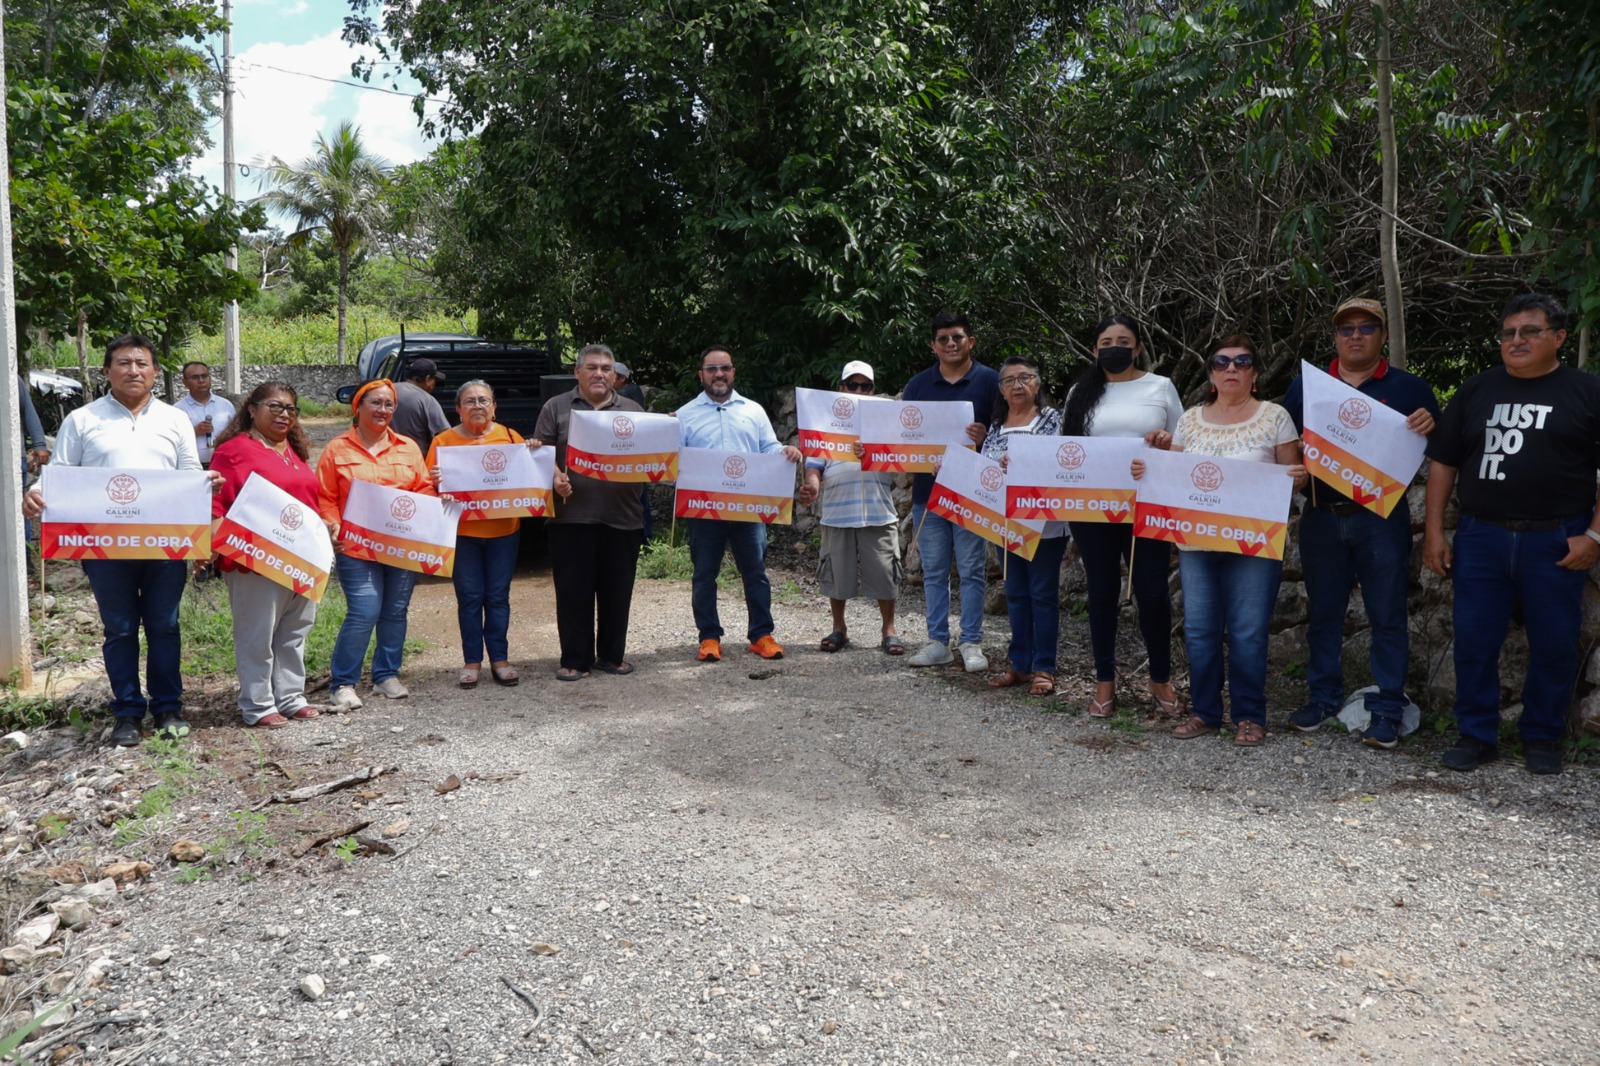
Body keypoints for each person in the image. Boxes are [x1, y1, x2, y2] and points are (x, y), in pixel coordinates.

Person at [1423, 293, 1600, 775]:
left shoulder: (1587, 392)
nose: (1516, 341)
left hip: (1556, 538)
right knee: (1475, 640)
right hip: (1483, 537)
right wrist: (1434, 531)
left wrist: (1594, 536)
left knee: (1555, 640)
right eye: (1508, 333)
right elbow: (1444, 464)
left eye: (1530, 331)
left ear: (1559, 337)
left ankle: (1542, 737)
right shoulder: (1476, 389)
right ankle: (1475, 735)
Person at [22, 335, 213, 746]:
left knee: (165, 625)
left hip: (164, 542)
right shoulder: (83, 419)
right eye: (123, 363)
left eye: (142, 364)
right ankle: (127, 712)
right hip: (103, 546)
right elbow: (61, 475)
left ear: (155, 373)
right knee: (120, 629)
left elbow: (188, 474)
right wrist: (37, 493)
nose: (133, 371)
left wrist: (203, 498)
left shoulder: (174, 419)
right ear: (107, 371)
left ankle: (167, 707)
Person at [1133, 335, 1305, 747]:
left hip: (1253, 544)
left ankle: (1249, 714)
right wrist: (1148, 470)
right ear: (1211, 373)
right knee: (1199, 629)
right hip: (1196, 544)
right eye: (1222, 362)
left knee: (1247, 631)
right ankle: (1206, 711)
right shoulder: (1190, 419)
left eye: (1242, 361)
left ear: (1255, 373)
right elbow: (1171, 474)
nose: (1232, 368)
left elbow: (1294, 479)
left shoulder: (1275, 416)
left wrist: (1301, 476)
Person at [1283, 298, 1439, 749]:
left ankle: (1389, 708)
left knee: (1387, 615)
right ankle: (1323, 698)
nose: (1355, 335)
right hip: (1322, 516)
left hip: (1380, 518)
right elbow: (1284, 443)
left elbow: (1442, 448)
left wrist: (1432, 425)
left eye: (1366, 328)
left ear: (1382, 336)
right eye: (1346, 328)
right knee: (1324, 614)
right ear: (1334, 337)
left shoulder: (1410, 388)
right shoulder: (1307, 387)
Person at [1060, 315, 1184, 718]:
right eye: (1107, 341)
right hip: (1092, 508)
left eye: (1124, 340)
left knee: (1151, 592)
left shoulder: (1160, 387)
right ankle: (1104, 680)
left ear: (1139, 347)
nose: (1115, 347)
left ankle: (1160, 677)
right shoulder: (1080, 391)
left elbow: (1184, 443)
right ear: (1095, 350)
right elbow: (1066, 451)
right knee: (1100, 592)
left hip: (1148, 504)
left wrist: (1166, 444)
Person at [676, 344, 803, 662]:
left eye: (725, 368)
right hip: (704, 509)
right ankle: (708, 638)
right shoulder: (684, 415)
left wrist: (784, 453)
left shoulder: (753, 410)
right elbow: (673, 461)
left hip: (748, 507)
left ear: (733, 372)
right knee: (705, 573)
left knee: (756, 572)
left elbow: (769, 447)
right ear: (701, 374)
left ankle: (761, 634)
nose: (719, 374)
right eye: (711, 369)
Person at [316, 379, 436, 711]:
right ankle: (342, 682)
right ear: (358, 407)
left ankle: (386, 675)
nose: (382, 410)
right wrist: (333, 525)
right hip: (356, 549)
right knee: (365, 609)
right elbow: (325, 498)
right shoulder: (337, 449)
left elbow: (424, 488)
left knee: (395, 611)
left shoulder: (408, 447)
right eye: (375, 403)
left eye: (388, 405)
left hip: (400, 546)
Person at [208, 383, 323, 727]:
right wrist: (212, 549)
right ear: (252, 409)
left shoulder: (294, 451)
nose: (284, 414)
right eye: (275, 407)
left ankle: (290, 697)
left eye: (291, 408)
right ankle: (258, 704)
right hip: (254, 560)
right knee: (257, 634)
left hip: (301, 557)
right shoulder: (233, 451)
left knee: (294, 631)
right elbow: (217, 504)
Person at [534, 344, 647, 680]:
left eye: (606, 368)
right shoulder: (556, 407)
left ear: (615, 375)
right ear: (577, 372)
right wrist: (555, 478)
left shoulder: (632, 409)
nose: (600, 374)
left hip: (624, 516)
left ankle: (612, 656)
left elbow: (651, 454)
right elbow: (540, 454)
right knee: (573, 591)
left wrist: (666, 433)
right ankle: (574, 659)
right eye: (593, 367)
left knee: (618, 591)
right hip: (570, 517)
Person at [904, 312, 999, 672]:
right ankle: (937, 642)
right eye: (942, 338)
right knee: (934, 571)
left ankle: (971, 642)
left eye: (957, 337)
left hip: (971, 493)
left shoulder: (991, 381)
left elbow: (1007, 435)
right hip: (928, 494)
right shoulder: (918, 385)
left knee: (973, 569)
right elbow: (902, 439)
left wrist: (984, 437)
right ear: (933, 345)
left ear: (971, 341)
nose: (950, 344)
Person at [797, 360, 904, 656]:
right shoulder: (822, 423)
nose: (858, 390)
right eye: (852, 385)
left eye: (865, 386)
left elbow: (903, 461)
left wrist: (875, 451)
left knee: (885, 571)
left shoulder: (887, 425)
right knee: (836, 572)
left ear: (873, 390)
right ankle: (839, 627)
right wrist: (813, 486)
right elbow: (814, 466)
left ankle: (889, 629)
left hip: (877, 509)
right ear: (841, 388)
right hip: (837, 509)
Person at [427, 380, 528, 688]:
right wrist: (435, 484)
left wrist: (535, 450)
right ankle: (472, 661)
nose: (477, 406)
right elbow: (427, 488)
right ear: (457, 409)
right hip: (463, 533)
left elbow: (530, 475)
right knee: (470, 598)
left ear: (494, 407)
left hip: (504, 531)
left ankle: (500, 658)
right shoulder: (442, 442)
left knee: (498, 597)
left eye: (484, 401)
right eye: (469, 401)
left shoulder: (511, 437)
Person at [981, 356, 1067, 696]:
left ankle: (1044, 667)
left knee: (1042, 595)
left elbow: (1055, 459)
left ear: (1038, 383)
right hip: (1006, 523)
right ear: (1001, 390)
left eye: (1025, 378)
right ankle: (1019, 664)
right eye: (1009, 381)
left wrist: (1020, 463)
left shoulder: (1051, 419)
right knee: (1015, 593)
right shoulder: (997, 424)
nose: (1017, 386)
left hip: (1044, 524)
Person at [174, 361, 235, 469]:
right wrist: (194, 431)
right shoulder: (177, 409)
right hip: (192, 468)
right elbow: (173, 440)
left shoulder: (225, 405)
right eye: (195, 377)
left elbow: (237, 432)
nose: (201, 381)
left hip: (224, 464)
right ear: (184, 382)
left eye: (204, 376)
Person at [391, 357, 449, 451]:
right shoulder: (428, 400)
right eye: (434, 380)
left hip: (383, 457)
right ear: (427, 379)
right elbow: (445, 436)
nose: (434, 385)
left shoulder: (387, 390)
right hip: (414, 459)